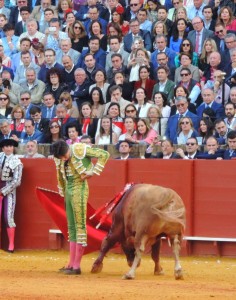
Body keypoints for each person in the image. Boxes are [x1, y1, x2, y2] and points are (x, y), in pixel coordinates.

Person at [51, 139, 109, 275]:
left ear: (67, 148)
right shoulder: (59, 158)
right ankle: (70, 264)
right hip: (68, 191)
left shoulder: (78, 149)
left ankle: (77, 266)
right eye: (61, 157)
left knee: (79, 225)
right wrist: (63, 192)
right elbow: (60, 175)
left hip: (80, 189)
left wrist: (93, 172)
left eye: (65, 155)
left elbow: (104, 154)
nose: (64, 159)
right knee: (71, 227)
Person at [0, 138, 23, 253]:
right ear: (3, 148)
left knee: (7, 217)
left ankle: (11, 245)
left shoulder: (17, 161)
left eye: (10, 146)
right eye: (6, 146)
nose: (9, 148)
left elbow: (17, 181)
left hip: (9, 192)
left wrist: (3, 191)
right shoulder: (0, 157)